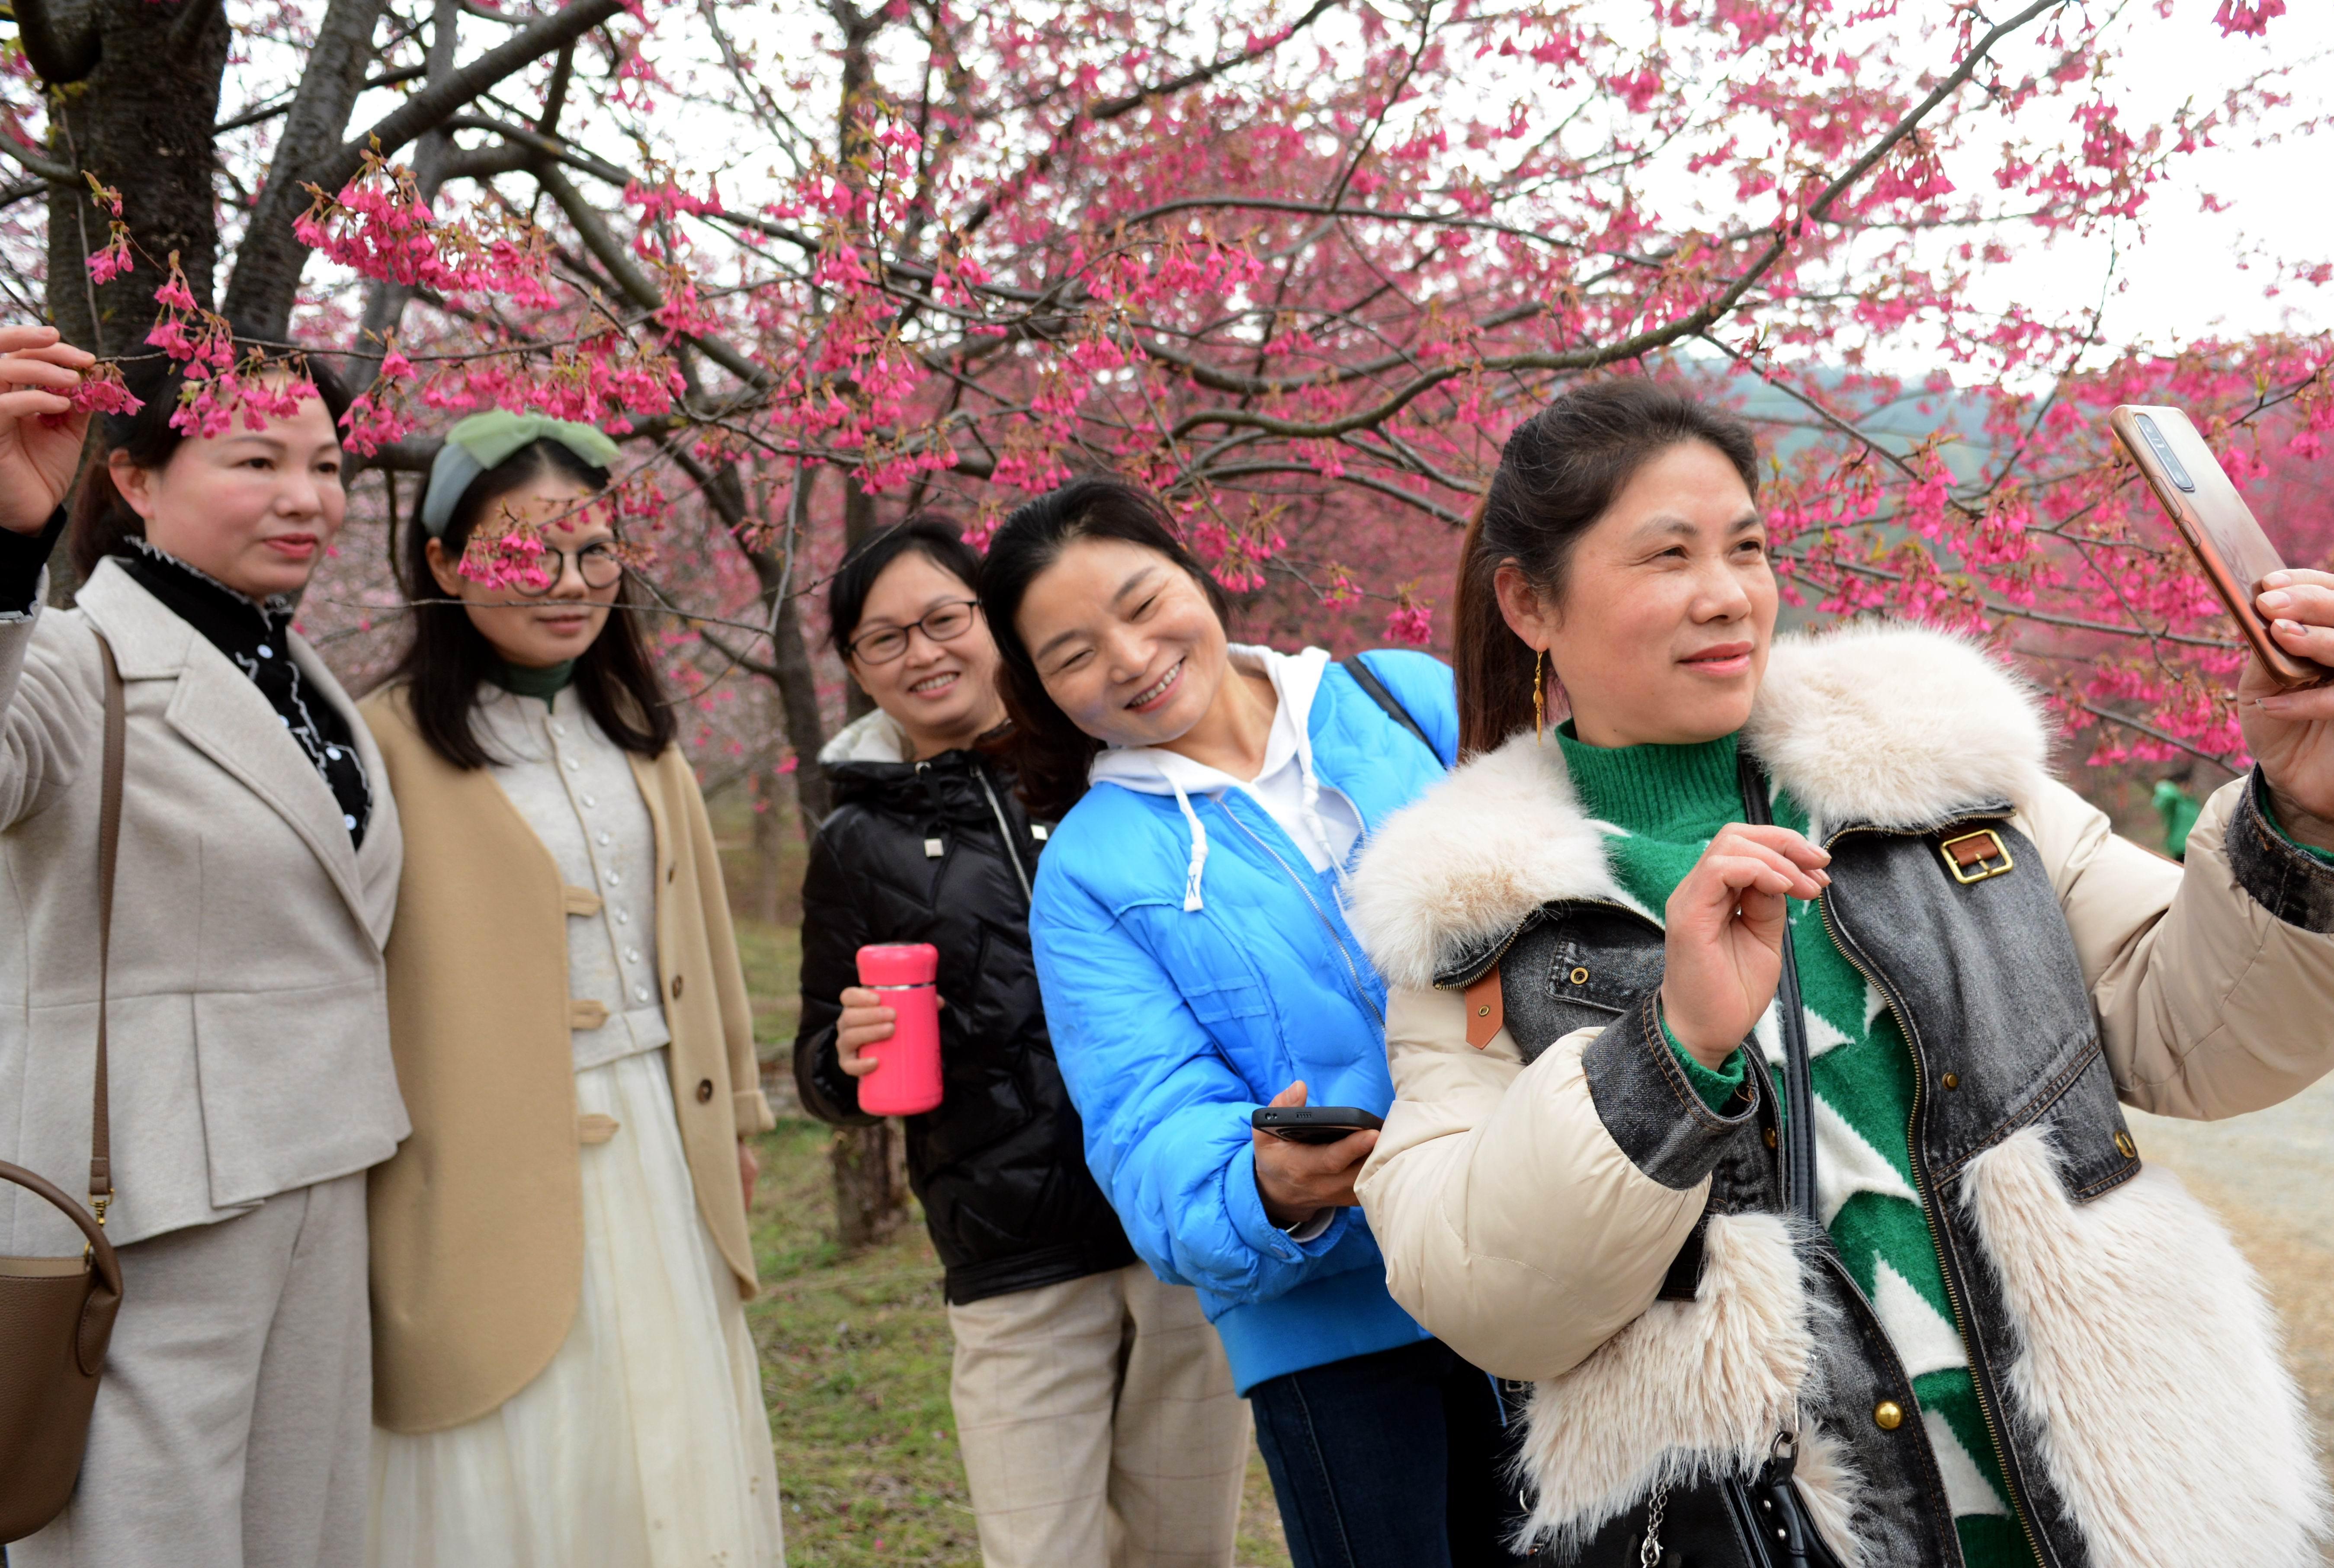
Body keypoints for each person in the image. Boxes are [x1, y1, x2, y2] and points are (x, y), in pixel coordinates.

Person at [1343, 379, 2334, 1568]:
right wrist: (1670, 1052)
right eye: (1665, 556)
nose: (1726, 596)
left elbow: (2207, 1033)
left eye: (1746, 548)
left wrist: (2320, 822)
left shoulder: (1939, 780)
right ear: (1528, 602)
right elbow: (1486, 1293)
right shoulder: (1477, 918)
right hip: (1771, 1535)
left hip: (2122, 1503)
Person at [983, 477, 1515, 1568]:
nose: (1129, 658)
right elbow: (1149, 1118)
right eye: (1073, 653)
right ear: (1040, 689)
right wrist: (1263, 1186)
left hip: (1542, 1243)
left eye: (1142, 602)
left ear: (1195, 568)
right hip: (1339, 1328)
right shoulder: (1088, 870)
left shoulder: (1404, 699)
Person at [0, 331, 406, 1566]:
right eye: (257, 460)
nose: (306, 498)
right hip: (151, 1195)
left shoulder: (295, 667)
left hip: (321, 1163)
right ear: (135, 478)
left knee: (304, 1529)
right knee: (141, 1534)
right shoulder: (75, 653)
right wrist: (8, 549)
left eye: (329, 465)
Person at [356, 411, 782, 1567]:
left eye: (594, 552)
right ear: (443, 563)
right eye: (523, 552)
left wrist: (736, 1115)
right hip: (475, 1159)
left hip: (658, 1141)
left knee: (669, 1441)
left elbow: (695, 939)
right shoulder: (382, 747)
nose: (567, 581)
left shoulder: (637, 734)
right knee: (515, 1451)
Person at [793, 514, 1247, 1568]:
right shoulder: (854, 841)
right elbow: (822, 1063)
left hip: (1174, 1216)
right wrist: (846, 1058)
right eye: (885, 638)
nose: (924, 651)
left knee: (1187, 1549)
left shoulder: (1118, 763)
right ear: (859, 667)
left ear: (997, 624)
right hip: (1012, 1255)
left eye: (946, 618)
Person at [2152, 764, 2206, 860]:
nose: (2189, 789)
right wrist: (2165, 784)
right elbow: (2167, 795)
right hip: (2181, 847)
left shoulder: (2190, 802)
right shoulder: (2174, 802)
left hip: (2196, 846)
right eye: (2186, 785)